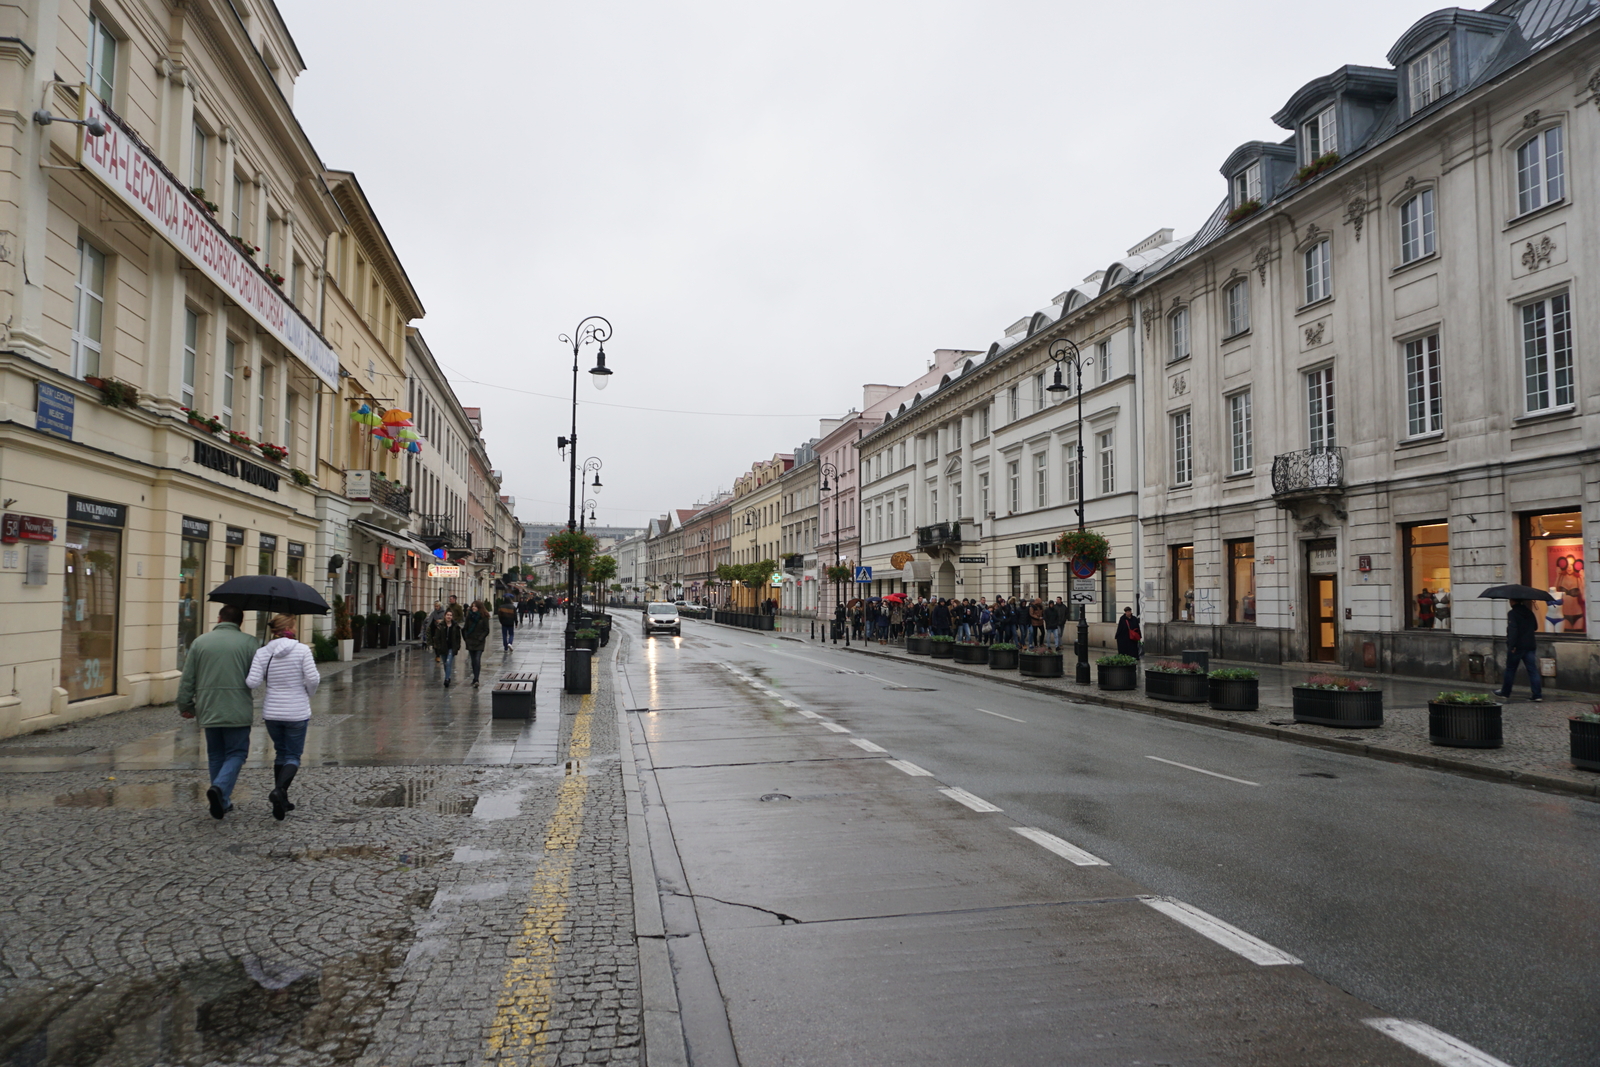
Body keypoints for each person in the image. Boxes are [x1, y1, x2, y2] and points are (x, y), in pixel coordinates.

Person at [176, 604, 258, 819]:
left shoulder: (200, 642)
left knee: (215, 754)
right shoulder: (250, 643)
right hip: (237, 707)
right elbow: (256, 678)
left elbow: (188, 678)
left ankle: (222, 800)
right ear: (240, 622)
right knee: (237, 753)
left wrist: (185, 705)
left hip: (208, 707)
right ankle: (220, 789)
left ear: (219, 618)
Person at [246, 614, 321, 820]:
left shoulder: (263, 652)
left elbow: (252, 682)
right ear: (290, 627)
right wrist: (308, 692)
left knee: (281, 753)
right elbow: (313, 678)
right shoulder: (302, 649)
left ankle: (283, 800)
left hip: (272, 712)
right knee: (293, 756)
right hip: (296, 711)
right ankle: (279, 790)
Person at [1496, 598, 1542, 701]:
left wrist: (1512, 646)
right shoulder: (1529, 612)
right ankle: (1537, 695)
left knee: (1510, 670)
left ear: (1513, 602)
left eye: (1510, 600)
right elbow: (1535, 627)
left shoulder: (1512, 613)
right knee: (1533, 670)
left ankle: (1505, 692)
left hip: (1517, 647)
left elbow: (1513, 630)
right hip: (1530, 645)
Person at [433, 607, 463, 687]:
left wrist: (457, 647)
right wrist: (438, 646)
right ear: (445, 616)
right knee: (445, 663)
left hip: (451, 647)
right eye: (447, 615)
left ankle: (446, 679)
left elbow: (458, 637)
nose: (449, 616)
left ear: (452, 617)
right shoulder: (440, 625)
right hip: (443, 647)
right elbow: (436, 637)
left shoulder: (455, 626)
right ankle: (448, 676)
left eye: (450, 615)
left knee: (449, 662)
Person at [464, 600, 491, 686]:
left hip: (479, 642)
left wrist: (480, 638)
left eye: (475, 606)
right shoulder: (469, 616)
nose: (473, 608)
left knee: (477, 659)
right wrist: (466, 638)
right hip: (471, 641)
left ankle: (476, 679)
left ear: (479, 607)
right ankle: (475, 677)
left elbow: (486, 630)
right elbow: (465, 628)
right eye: (472, 606)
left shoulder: (484, 617)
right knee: (472, 660)